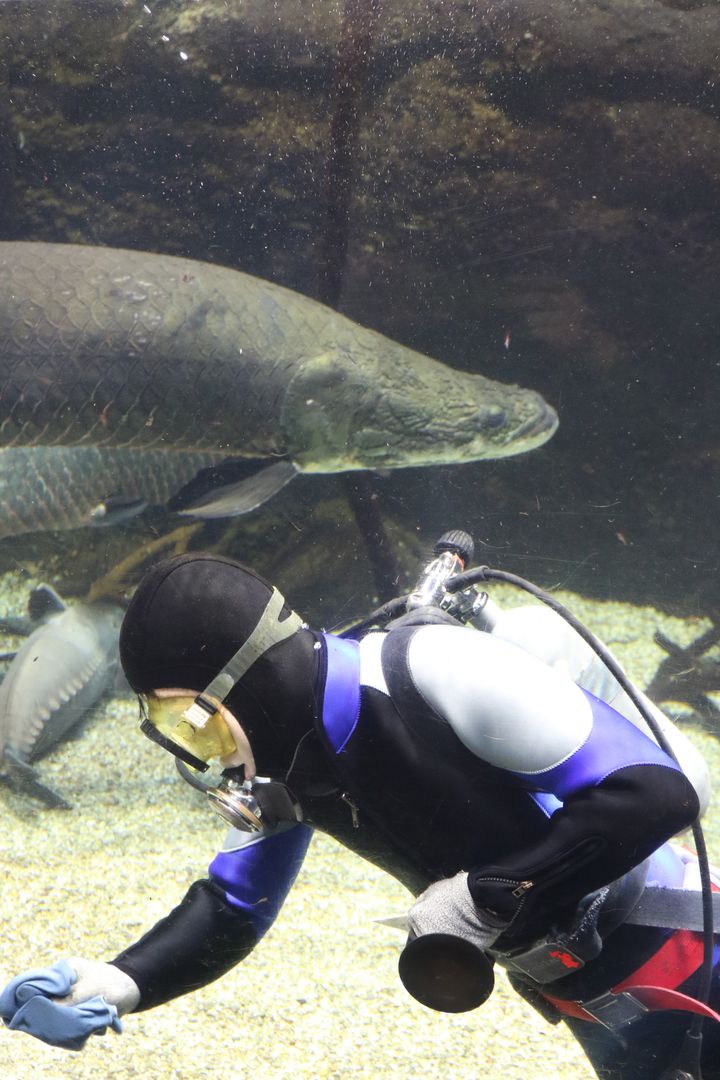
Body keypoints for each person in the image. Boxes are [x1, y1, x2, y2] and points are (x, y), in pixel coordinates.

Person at [1, 552, 718, 1079]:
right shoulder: (289, 766)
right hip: (601, 1008)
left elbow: (660, 794)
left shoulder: (434, 670)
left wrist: (486, 895)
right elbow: (232, 906)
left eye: (197, 726)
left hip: (687, 952)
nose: (211, 759)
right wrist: (118, 982)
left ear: (245, 688)